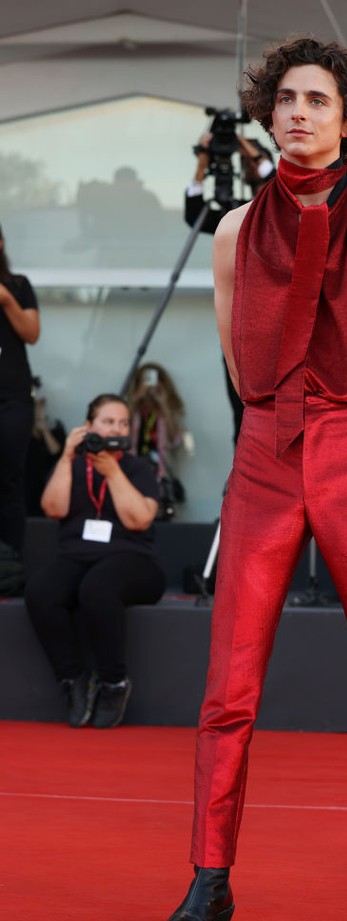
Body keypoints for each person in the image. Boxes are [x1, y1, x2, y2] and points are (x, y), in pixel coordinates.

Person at [158, 37, 347, 921]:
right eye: (286, 98)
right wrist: (283, 428)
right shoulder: (238, 229)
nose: (298, 111)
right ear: (268, 111)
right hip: (264, 454)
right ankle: (209, 879)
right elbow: (240, 364)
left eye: (318, 99)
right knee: (228, 685)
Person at [24, 394, 166, 729]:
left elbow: (140, 520)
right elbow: (53, 509)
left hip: (134, 560)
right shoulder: (72, 465)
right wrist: (65, 458)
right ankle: (72, 679)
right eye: (107, 422)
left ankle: (113, 683)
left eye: (121, 423)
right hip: (77, 556)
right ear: (88, 426)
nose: (115, 428)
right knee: (41, 592)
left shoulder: (137, 467)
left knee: (97, 589)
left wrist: (113, 472)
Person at [185, 132, 276, 445]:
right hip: (245, 327)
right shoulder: (236, 215)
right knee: (244, 412)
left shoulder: (286, 202)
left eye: (251, 159)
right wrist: (202, 164)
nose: (247, 165)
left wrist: (244, 145)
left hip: (279, 325)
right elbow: (194, 215)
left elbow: (273, 177)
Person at [0, 224, 40, 555]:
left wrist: (6, 300)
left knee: (11, 477)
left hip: (12, 397)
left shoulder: (17, 286)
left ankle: (10, 564)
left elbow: (32, 333)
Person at [125, 362, 187, 519]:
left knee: (161, 518)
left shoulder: (169, 410)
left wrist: (163, 404)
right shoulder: (129, 410)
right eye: (145, 380)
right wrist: (136, 398)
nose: (150, 384)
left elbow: (177, 441)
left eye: (154, 379)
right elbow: (121, 435)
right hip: (132, 474)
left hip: (160, 475)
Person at [25, 378, 66, 516]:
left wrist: (43, 428)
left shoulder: (56, 431)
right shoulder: (16, 433)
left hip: (48, 498)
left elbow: (59, 457)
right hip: (23, 499)